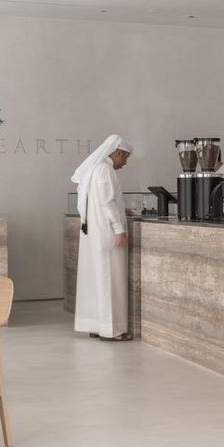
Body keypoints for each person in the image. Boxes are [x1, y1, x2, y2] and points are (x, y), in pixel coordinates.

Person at [71, 134, 133, 341]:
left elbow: (100, 202)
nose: (125, 163)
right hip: (107, 234)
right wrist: (120, 230)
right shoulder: (105, 170)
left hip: (93, 234)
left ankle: (97, 325)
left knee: (96, 279)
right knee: (110, 280)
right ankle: (112, 330)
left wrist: (124, 212)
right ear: (117, 152)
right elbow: (107, 202)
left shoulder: (94, 170)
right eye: (125, 158)